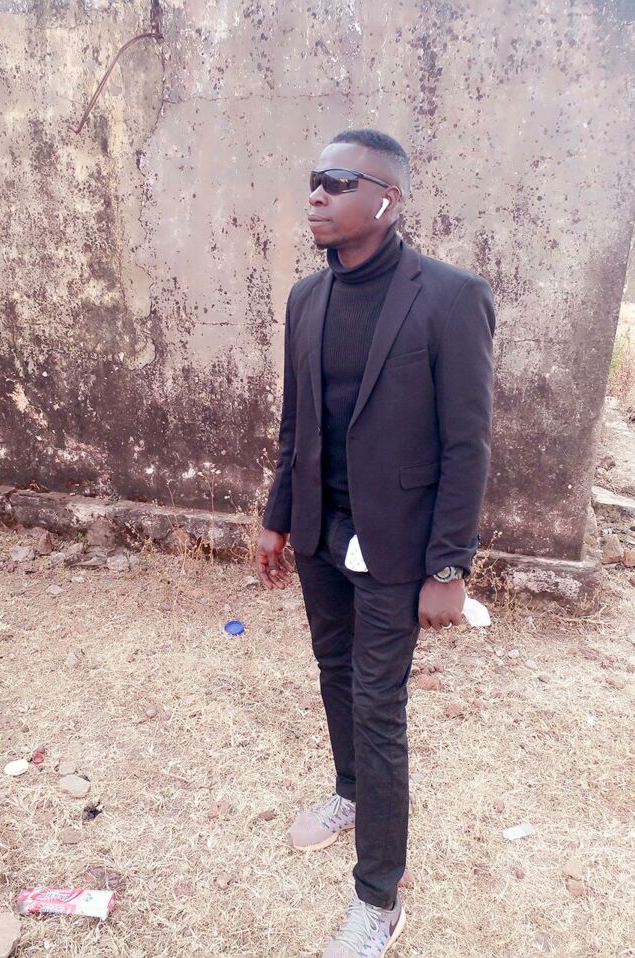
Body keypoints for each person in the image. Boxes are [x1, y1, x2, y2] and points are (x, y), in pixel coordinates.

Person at [256, 129, 495, 957]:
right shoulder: (306, 299)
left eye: (337, 181)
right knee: (333, 671)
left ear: (386, 199)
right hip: (321, 533)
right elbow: (295, 421)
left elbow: (467, 443)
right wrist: (278, 516)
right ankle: (350, 790)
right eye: (313, 179)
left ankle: (378, 900)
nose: (316, 195)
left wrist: (449, 565)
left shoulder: (451, 297)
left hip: (398, 546)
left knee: (378, 704)